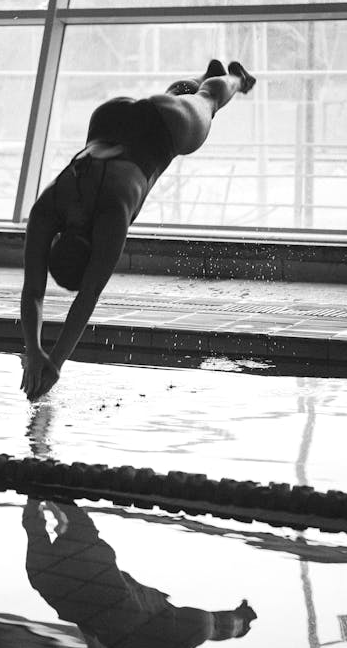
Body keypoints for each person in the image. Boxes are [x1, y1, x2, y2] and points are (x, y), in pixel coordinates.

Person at [21, 60, 256, 399]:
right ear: (56, 240)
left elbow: (86, 299)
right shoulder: (48, 207)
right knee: (172, 99)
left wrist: (53, 362)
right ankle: (204, 75)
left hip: (166, 128)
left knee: (209, 100)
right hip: (110, 117)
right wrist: (33, 351)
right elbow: (33, 292)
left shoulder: (111, 217)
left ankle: (235, 78)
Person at [23, 497, 257, 648]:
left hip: (106, 598)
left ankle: (42, 492)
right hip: (65, 595)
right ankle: (40, 494)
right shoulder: (172, 637)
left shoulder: (201, 625)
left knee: (74, 527)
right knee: (53, 531)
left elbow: (209, 626)